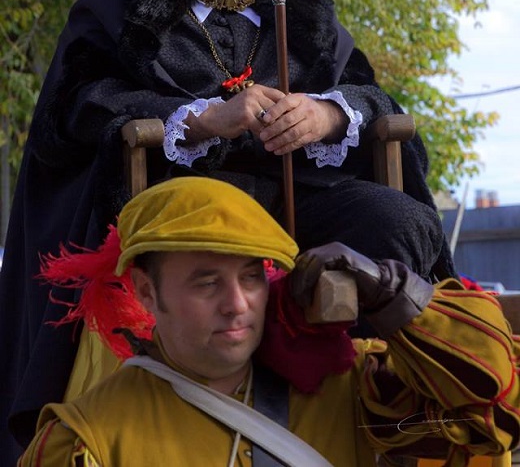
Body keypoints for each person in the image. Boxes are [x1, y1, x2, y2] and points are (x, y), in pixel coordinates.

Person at [0, 0, 456, 461]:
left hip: (300, 196)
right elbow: (76, 110)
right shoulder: (123, 3)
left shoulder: (303, 2)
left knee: (396, 221)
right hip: (183, 202)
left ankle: (385, 410)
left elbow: (372, 95)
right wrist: (204, 120)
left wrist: (325, 114)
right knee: (213, 238)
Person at [17, 177, 520, 467]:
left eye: (251, 277)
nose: (237, 304)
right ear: (147, 292)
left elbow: (493, 410)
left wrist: (393, 294)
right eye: (206, 282)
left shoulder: (347, 388)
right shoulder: (88, 440)